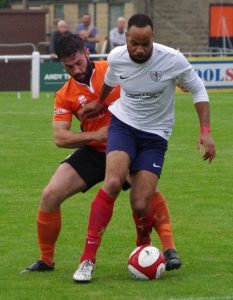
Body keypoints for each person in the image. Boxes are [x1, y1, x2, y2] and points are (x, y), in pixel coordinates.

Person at [21, 33, 180, 274]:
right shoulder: (65, 94)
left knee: (146, 192)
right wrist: (95, 136)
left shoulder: (113, 70)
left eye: (79, 62)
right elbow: (60, 137)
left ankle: (169, 250)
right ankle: (46, 259)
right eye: (69, 66)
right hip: (95, 151)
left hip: (130, 145)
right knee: (50, 194)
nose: (76, 70)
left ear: (87, 52)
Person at [75, 14, 216, 282]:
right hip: (123, 125)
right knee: (114, 181)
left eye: (146, 44)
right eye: (134, 43)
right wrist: (99, 102)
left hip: (155, 136)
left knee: (140, 203)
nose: (139, 49)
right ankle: (87, 260)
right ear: (126, 38)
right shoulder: (117, 56)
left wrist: (205, 131)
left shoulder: (172, 59)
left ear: (153, 39)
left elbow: (198, 90)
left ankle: (143, 245)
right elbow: (111, 79)